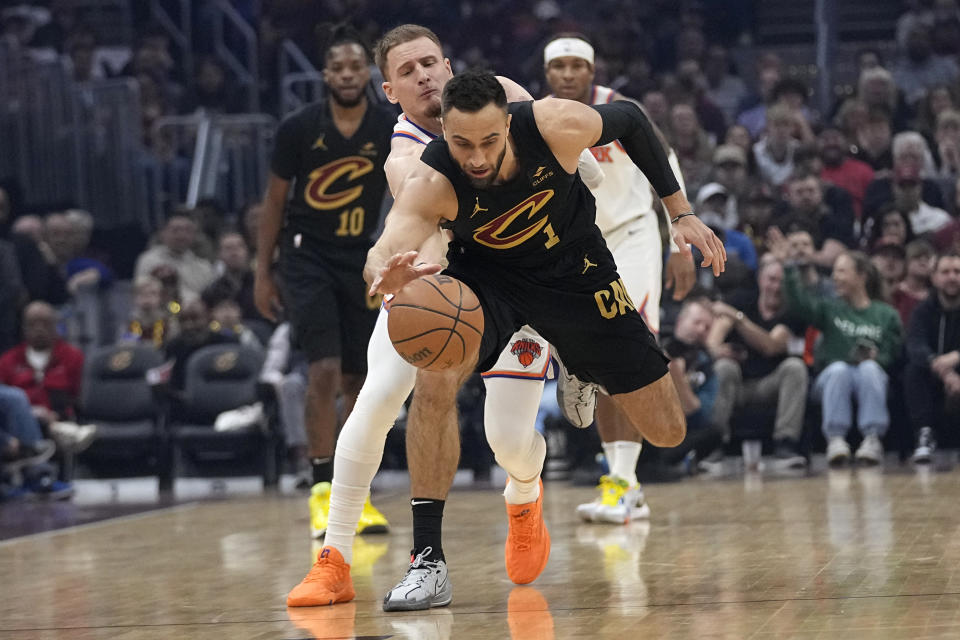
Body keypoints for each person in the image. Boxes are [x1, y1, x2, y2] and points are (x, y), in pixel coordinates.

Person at [286, 25, 603, 611]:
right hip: (442, 291)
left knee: (507, 440)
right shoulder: (406, 154)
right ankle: (334, 560)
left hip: (523, 291)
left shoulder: (509, 105)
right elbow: (417, 219)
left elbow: (587, 180)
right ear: (390, 91)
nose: (424, 76)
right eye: (407, 71)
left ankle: (524, 492)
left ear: (450, 65)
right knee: (378, 398)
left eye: (430, 62)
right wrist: (394, 275)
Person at [365, 68, 723, 584]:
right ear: (445, 132)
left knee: (667, 431)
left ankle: (578, 357)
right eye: (463, 144)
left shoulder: (553, 123)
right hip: (490, 282)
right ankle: (428, 559)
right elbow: (384, 244)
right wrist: (383, 271)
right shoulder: (433, 178)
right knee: (436, 374)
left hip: (575, 271)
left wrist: (680, 211)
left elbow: (635, 120)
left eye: (490, 140)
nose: (479, 158)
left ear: (508, 124)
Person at [541, 34, 695, 525]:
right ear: (548, 75)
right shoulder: (537, 116)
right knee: (595, 358)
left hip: (631, 236)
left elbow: (665, 167)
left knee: (625, 345)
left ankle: (624, 483)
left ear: (593, 72)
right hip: (575, 246)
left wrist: (678, 241)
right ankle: (624, 483)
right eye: (558, 67)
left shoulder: (620, 112)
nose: (567, 74)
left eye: (576, 66)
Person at [252, 25, 394, 539]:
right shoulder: (297, 127)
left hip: (362, 259)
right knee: (324, 371)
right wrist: (261, 272)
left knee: (361, 381)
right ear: (326, 74)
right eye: (339, 67)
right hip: (306, 256)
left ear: (368, 73)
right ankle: (320, 489)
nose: (349, 75)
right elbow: (273, 203)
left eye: (358, 67)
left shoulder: (389, 125)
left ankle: (358, 494)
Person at [768, 230, 902, 465]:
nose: (835, 277)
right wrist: (788, 267)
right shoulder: (830, 308)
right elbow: (800, 306)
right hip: (832, 377)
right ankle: (836, 440)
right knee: (840, 369)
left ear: (861, 276)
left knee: (869, 369)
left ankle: (872, 439)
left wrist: (876, 358)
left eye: (841, 271)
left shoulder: (886, 315)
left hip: (870, 377)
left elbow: (894, 353)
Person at [707, 256, 808, 467]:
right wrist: (717, 350)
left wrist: (739, 319)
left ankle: (785, 444)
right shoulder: (741, 299)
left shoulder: (792, 311)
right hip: (737, 383)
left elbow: (771, 346)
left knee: (795, 368)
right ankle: (713, 445)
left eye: (781, 281)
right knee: (723, 367)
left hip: (769, 384)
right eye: (771, 279)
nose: (776, 287)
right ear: (761, 279)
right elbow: (714, 338)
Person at [905, 250, 960, 463]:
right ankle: (924, 436)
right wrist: (945, 372)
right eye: (945, 272)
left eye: (957, 271)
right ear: (935, 277)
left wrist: (955, 357)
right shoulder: (922, 311)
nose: (952, 277)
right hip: (935, 378)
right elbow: (915, 345)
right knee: (912, 370)